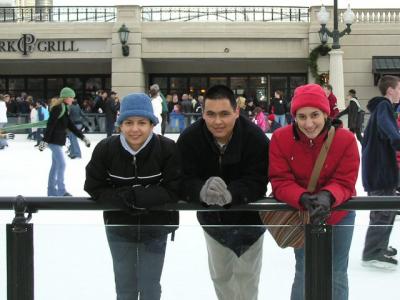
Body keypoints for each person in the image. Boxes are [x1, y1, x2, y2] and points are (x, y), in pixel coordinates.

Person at [84, 93, 181, 300]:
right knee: (124, 286)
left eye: (141, 122)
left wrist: (137, 196)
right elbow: (93, 186)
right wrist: (122, 199)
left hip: (156, 228)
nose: (135, 129)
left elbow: (175, 188)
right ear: (120, 124)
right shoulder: (106, 149)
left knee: (150, 286)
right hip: (119, 228)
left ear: (152, 125)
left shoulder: (167, 149)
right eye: (128, 122)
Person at [177, 85, 269, 300]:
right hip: (212, 221)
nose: (217, 121)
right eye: (210, 114)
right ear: (202, 113)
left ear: (236, 112)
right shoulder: (190, 138)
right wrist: (200, 190)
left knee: (248, 278)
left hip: (250, 221)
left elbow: (259, 180)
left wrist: (233, 193)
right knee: (221, 277)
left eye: (224, 114)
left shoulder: (255, 138)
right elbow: (179, 177)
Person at [269, 83, 359, 300]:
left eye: (315, 115)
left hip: (339, 214)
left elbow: (345, 180)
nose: (309, 123)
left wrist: (329, 195)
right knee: (304, 270)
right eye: (302, 116)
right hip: (303, 214)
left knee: (337, 273)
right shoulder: (281, 139)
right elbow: (280, 180)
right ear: (294, 116)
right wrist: (301, 197)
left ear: (326, 113)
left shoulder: (345, 139)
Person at [361, 75, 400, 270]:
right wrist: (397, 140)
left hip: (378, 170)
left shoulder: (380, 108)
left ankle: (379, 246)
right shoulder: (384, 106)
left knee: (386, 211)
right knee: (383, 212)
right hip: (380, 171)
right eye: (399, 88)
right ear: (390, 90)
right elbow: (390, 131)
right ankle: (372, 252)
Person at [38, 87, 91, 196]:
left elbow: (70, 125)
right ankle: (61, 191)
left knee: (55, 165)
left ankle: (51, 191)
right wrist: (44, 141)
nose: (73, 99)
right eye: (71, 97)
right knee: (62, 164)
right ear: (66, 97)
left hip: (57, 141)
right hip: (53, 142)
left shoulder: (64, 108)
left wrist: (82, 137)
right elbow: (50, 125)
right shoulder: (57, 108)